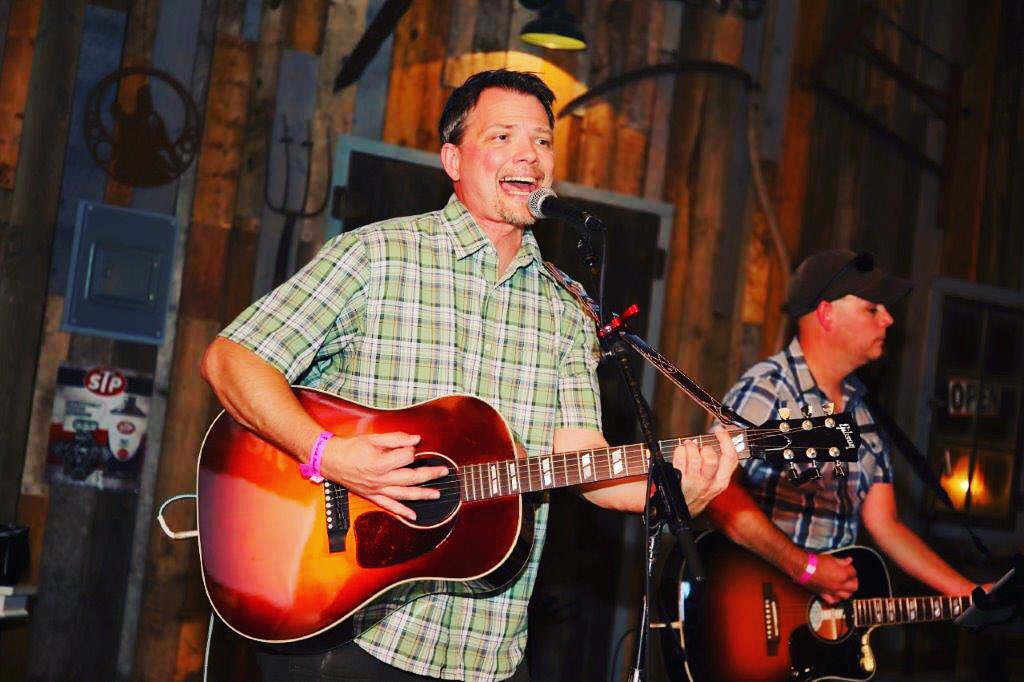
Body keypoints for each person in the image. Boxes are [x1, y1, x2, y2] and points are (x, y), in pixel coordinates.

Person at [201, 69, 738, 682]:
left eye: (541, 140)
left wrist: (670, 492)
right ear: (453, 158)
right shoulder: (376, 256)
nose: (528, 155)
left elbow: (581, 462)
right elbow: (232, 359)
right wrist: (328, 454)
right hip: (356, 627)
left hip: (492, 652)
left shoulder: (567, 310)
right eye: (503, 136)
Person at [706, 249, 981, 605]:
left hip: (827, 624)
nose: (888, 319)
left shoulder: (864, 412)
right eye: (872, 309)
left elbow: (887, 525)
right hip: (757, 608)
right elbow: (717, 492)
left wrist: (968, 592)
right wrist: (802, 567)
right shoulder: (768, 387)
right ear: (826, 313)